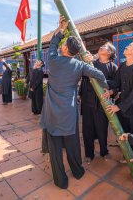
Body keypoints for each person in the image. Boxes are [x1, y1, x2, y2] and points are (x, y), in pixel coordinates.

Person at [40, 15, 108, 189]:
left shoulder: (53, 60)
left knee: (55, 150)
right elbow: (99, 75)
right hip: (69, 112)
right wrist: (106, 88)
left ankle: (61, 181)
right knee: (73, 145)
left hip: (51, 113)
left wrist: (61, 29)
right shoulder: (79, 65)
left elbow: (52, 44)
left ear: (65, 48)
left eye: (63, 44)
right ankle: (78, 171)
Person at [104, 39, 133, 166]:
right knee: (126, 134)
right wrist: (105, 85)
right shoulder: (123, 66)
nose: (126, 47)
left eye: (130, 45)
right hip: (123, 109)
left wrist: (119, 107)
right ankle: (130, 156)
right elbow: (116, 82)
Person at [79, 42, 117, 162]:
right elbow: (83, 76)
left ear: (109, 52)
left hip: (102, 102)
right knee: (87, 128)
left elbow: (117, 85)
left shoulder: (113, 67)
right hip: (88, 100)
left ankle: (104, 151)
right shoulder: (91, 63)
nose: (101, 47)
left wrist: (111, 91)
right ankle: (89, 154)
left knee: (102, 127)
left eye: (105, 47)